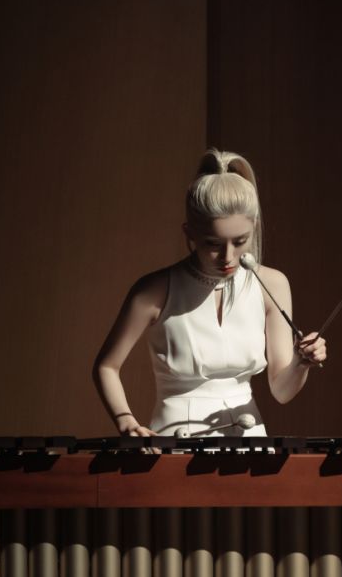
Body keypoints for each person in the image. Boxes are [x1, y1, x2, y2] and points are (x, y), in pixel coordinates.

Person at [93, 148, 327, 440]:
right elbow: (106, 366)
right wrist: (126, 421)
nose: (228, 257)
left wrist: (301, 363)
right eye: (213, 244)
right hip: (174, 441)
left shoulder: (273, 284)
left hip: (250, 440)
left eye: (240, 241)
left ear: (253, 228)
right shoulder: (153, 290)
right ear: (189, 233)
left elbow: (281, 392)